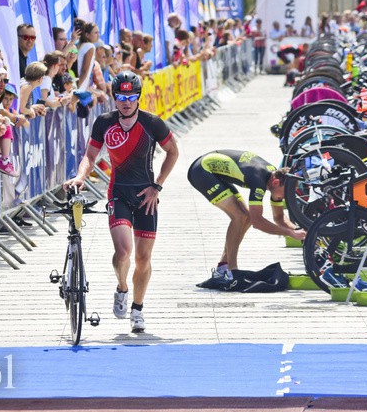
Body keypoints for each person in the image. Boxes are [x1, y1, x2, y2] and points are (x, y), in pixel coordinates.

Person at [64, 71, 179, 333]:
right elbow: (90, 156)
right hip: (118, 193)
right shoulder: (104, 122)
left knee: (143, 258)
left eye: (131, 97)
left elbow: (173, 151)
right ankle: (122, 287)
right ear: (114, 98)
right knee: (124, 252)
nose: (126, 102)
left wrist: (157, 185)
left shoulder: (152, 123)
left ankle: (137, 309)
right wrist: (80, 177)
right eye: (121, 97)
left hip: (146, 196)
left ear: (138, 97)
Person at [187, 150, 305, 280]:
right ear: (276, 183)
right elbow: (257, 222)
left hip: (214, 171)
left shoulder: (275, 179)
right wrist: (289, 233)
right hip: (202, 171)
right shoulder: (259, 180)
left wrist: (298, 230)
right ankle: (232, 271)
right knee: (239, 217)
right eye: (285, 193)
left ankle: (222, 268)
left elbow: (279, 218)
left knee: (247, 217)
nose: (286, 197)